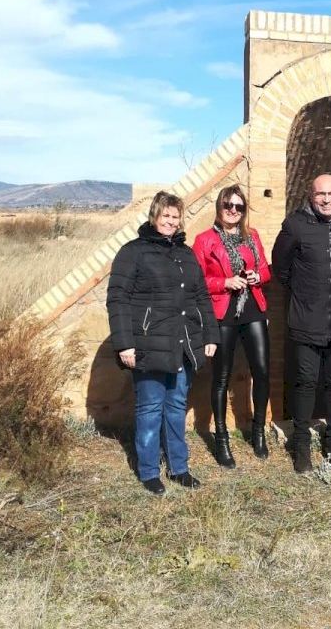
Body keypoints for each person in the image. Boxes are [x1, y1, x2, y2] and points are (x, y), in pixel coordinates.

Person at [107, 191, 219, 496]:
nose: (170, 221)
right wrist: (124, 345)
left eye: (175, 216)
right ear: (154, 216)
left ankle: (179, 468)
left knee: (175, 406)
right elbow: (118, 300)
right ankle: (147, 471)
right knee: (149, 408)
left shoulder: (185, 254)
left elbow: (200, 297)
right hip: (148, 346)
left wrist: (210, 334)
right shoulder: (133, 253)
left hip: (182, 346)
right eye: (165, 215)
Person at [271, 173, 331, 474]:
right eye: (320, 194)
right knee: (305, 383)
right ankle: (300, 445)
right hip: (305, 321)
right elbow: (281, 268)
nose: (327, 199)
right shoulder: (295, 225)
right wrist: (306, 295)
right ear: (310, 195)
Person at [192, 185, 273, 468]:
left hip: (252, 307)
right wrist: (224, 283)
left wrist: (256, 276)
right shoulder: (204, 241)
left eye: (239, 207)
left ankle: (259, 432)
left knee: (262, 371)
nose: (233, 211)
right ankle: (222, 439)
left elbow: (266, 269)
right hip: (223, 311)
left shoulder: (252, 237)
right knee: (221, 377)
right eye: (228, 205)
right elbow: (197, 281)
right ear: (220, 206)